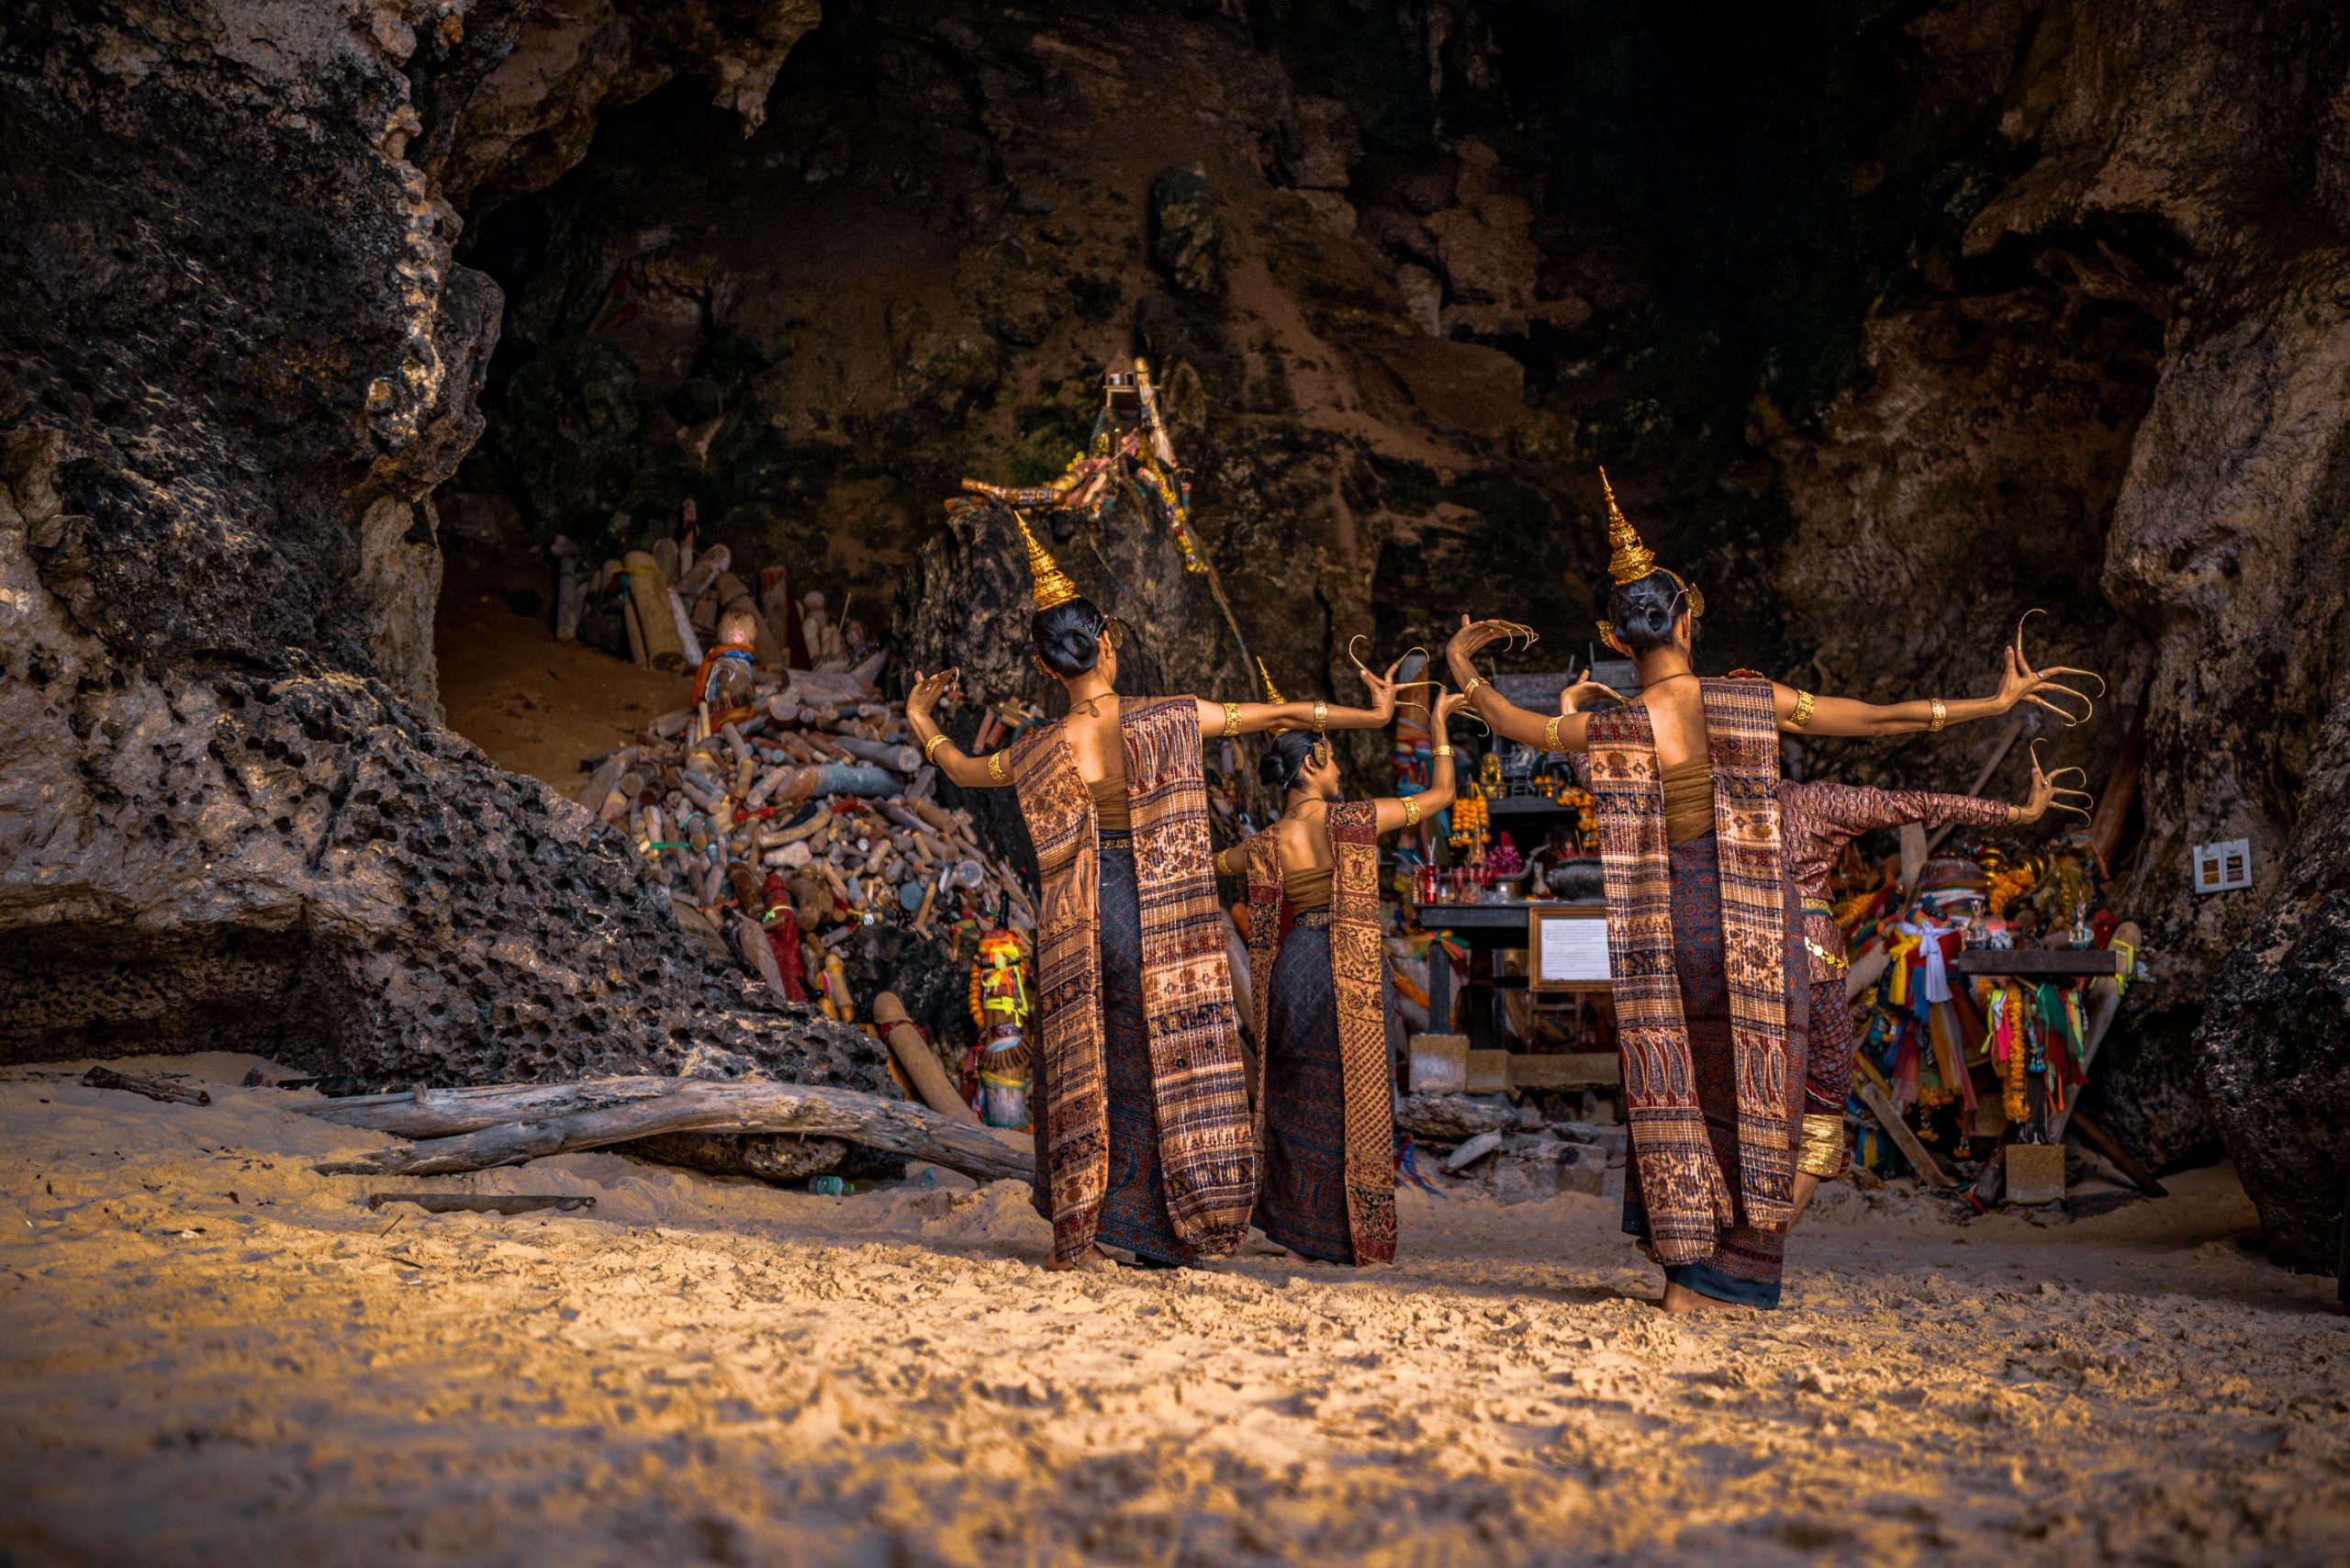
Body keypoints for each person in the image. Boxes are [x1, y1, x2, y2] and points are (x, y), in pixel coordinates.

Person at [1448, 470, 2097, 1313]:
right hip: (1756, 927)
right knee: (1760, 1101)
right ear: (1688, 620)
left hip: (1664, 932)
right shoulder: (1750, 702)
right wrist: (1989, 702)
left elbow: (1506, 722)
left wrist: (1463, 661)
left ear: (1620, 638)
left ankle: (1684, 1271)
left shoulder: (1606, 725)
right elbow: (1878, 717)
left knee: (1678, 1088)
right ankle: (1727, 1276)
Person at [905, 512, 1410, 1271]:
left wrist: (920, 717)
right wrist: (1373, 713)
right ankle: (1167, 1228)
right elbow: (1275, 715)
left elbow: (964, 771)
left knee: (1091, 1066)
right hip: (1159, 909)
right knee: (1165, 1065)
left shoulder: (1038, 748)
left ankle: (1082, 1227)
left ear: (1048, 669)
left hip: (1082, 916)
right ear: (1108, 643)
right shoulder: (1168, 717)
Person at [1556, 677, 2087, 1226]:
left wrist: (1572, 713)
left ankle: (1697, 1227)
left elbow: (1604, 778)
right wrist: (2016, 815)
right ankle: (1766, 1230)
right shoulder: (1813, 802)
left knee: (1714, 1098)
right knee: (1824, 1099)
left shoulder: (1685, 804)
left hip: (1716, 966)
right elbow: (1912, 801)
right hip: (1808, 967)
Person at [1219, 687, 1472, 1266]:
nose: (1337, 770)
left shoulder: (1262, 844)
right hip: (1350, 966)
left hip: (1292, 969)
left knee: (1295, 1092)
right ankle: (1350, 1232)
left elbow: (1205, 867)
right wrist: (1436, 726)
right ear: (1311, 763)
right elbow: (1440, 794)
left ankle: (1299, 1231)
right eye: (1330, 759)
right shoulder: (1354, 820)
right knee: (1355, 1095)